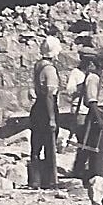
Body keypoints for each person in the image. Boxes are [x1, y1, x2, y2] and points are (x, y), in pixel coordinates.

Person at [71, 49, 103, 181]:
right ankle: (97, 177)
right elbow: (92, 101)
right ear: (99, 62)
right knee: (97, 148)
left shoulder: (101, 78)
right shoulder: (93, 78)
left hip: (102, 113)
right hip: (96, 115)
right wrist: (99, 119)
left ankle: (101, 176)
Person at [28, 36, 63, 189]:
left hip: (37, 108)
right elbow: (50, 94)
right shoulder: (50, 69)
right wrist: (52, 118)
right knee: (49, 144)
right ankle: (50, 180)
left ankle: (35, 179)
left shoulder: (38, 65)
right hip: (46, 108)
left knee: (36, 145)